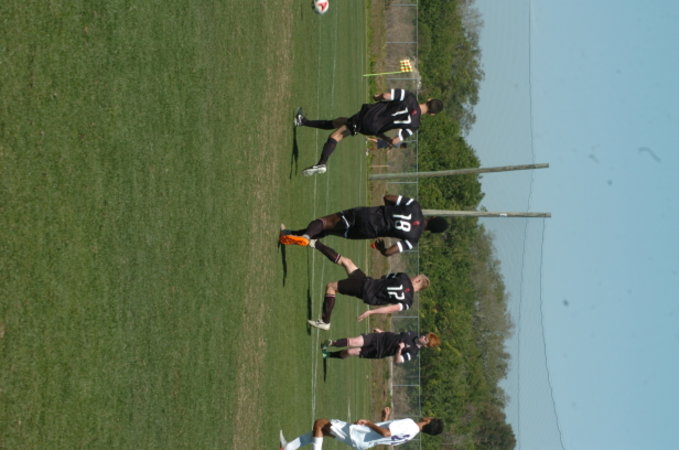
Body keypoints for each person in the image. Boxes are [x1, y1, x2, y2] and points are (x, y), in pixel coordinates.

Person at [294, 89, 443, 175]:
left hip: (370, 116)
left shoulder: (409, 97)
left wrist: (377, 97)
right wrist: (382, 136)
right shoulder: (415, 125)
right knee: (340, 121)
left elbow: (385, 96)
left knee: (336, 135)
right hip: (373, 128)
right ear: (432, 114)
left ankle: (322, 163)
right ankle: (303, 121)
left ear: (429, 99)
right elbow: (395, 141)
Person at [279, 194, 448, 257]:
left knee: (326, 222)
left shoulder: (414, 206)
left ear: (433, 217)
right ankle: (289, 234)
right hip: (367, 231)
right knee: (330, 230)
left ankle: (305, 236)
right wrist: (381, 248)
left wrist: (387, 211)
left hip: (367, 215)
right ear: (431, 231)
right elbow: (389, 252)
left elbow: (388, 197)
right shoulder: (413, 239)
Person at [304, 251, 429, 331]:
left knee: (331, 286)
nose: (413, 277)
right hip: (368, 286)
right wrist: (371, 311)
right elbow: (390, 308)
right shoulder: (408, 302)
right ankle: (315, 242)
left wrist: (371, 311)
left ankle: (325, 322)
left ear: (418, 280)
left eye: (416, 277)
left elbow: (385, 277)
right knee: (347, 262)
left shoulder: (404, 277)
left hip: (366, 288)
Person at [279, 406, 443, 449]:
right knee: (323, 431)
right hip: (364, 442)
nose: (428, 416)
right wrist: (384, 419)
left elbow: (386, 433)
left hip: (360, 434)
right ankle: (288, 447)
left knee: (320, 423)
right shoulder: (412, 434)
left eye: (431, 417)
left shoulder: (410, 423)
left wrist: (368, 422)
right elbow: (387, 437)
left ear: (429, 421)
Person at [321, 328, 440, 364]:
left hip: (379, 351)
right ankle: (331, 343)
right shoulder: (413, 334)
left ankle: (328, 354)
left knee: (350, 352)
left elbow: (398, 361)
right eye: (425, 335)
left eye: (426, 339)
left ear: (426, 345)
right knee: (354, 341)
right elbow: (397, 334)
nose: (423, 336)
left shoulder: (413, 352)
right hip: (379, 337)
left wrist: (399, 349)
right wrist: (382, 331)